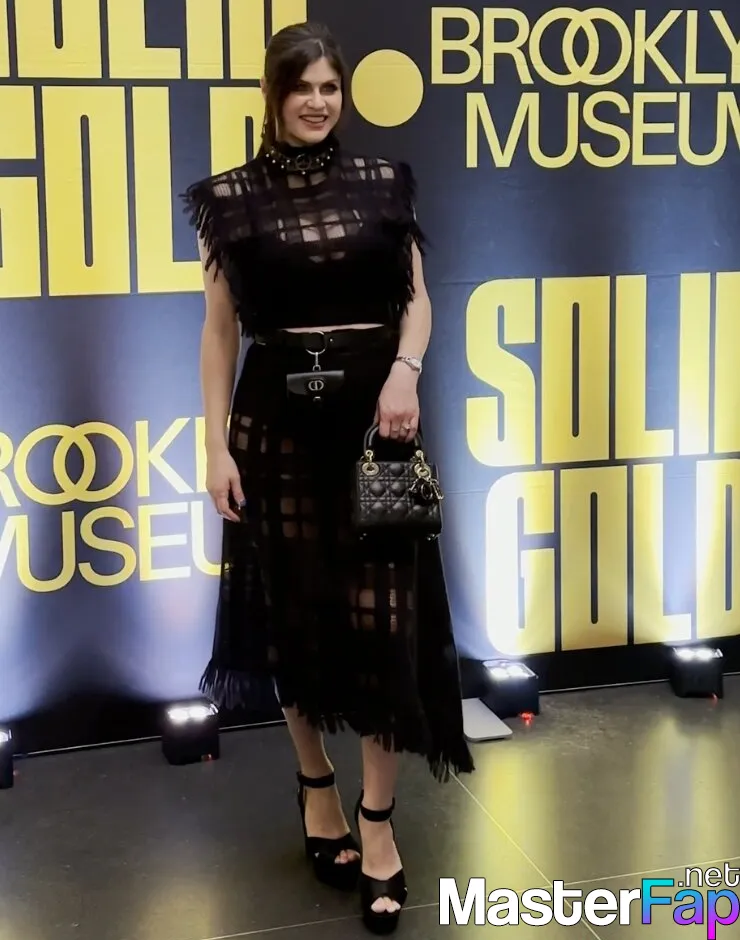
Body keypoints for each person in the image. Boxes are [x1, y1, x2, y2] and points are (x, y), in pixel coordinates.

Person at [183, 21, 474, 935]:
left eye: (330, 88)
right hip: (274, 425)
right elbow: (220, 331)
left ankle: (378, 819)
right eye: (301, 87)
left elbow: (416, 300)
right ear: (272, 96)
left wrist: (405, 373)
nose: (317, 102)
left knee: (385, 620)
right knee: (295, 614)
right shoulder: (229, 200)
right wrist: (216, 446)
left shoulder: (384, 183)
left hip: (377, 421)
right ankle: (317, 786)